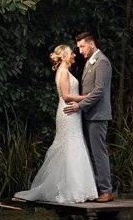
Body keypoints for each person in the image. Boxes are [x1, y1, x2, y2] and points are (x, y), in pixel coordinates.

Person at [13, 45, 99, 204]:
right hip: (68, 112)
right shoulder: (64, 71)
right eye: (71, 53)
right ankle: (70, 190)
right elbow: (66, 96)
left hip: (72, 113)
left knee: (73, 145)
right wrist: (87, 97)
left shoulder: (65, 70)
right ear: (65, 55)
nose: (74, 55)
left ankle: (76, 188)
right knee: (70, 145)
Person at [63, 30, 117, 202]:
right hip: (88, 114)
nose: (80, 51)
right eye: (78, 48)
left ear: (91, 43)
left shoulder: (102, 62)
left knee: (98, 153)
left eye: (82, 47)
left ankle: (106, 191)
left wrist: (80, 105)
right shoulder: (90, 61)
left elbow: (99, 91)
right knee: (91, 154)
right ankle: (96, 190)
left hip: (98, 115)